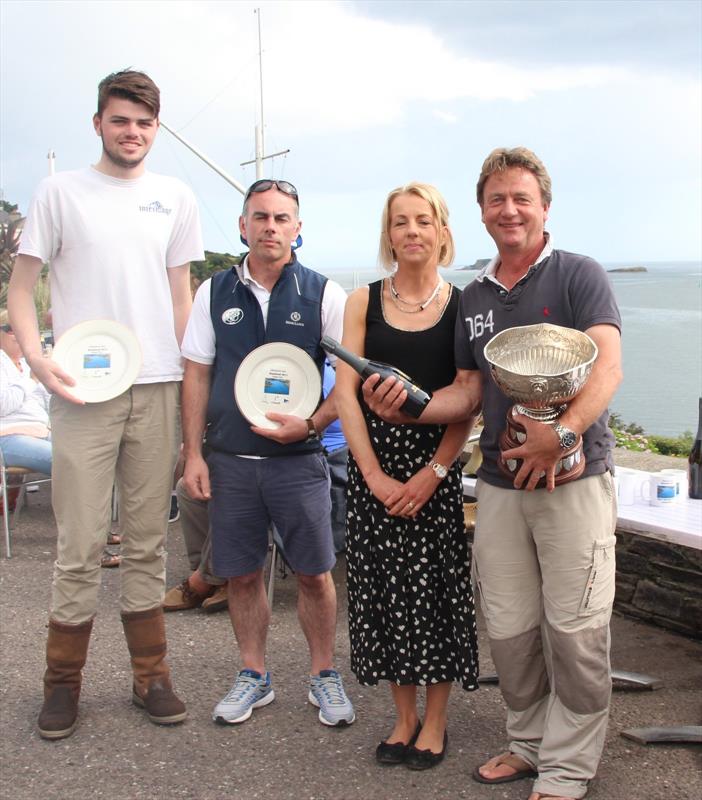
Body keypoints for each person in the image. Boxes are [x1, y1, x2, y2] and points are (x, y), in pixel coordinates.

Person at [363, 149, 622, 799]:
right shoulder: (474, 296)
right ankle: (528, 742)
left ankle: (567, 765)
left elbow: (607, 369)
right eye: (497, 200)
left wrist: (559, 434)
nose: (510, 210)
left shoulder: (578, 274)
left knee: (575, 630)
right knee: (509, 630)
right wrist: (414, 405)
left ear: (544, 207)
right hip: (502, 488)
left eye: (522, 199)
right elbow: (469, 391)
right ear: (481, 213)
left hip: (573, 479)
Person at [8, 69, 204, 740]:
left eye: (144, 123)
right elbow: (23, 290)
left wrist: (191, 388)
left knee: (149, 542)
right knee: (81, 542)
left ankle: (151, 677)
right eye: (121, 120)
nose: (132, 132)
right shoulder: (60, 192)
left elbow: (182, 300)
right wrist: (38, 360)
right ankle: (62, 685)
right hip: (82, 392)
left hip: (157, 386)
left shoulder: (175, 197)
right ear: (98, 123)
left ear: (156, 129)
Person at [181, 178, 355, 728]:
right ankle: (254, 676)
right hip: (231, 460)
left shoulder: (324, 294)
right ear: (242, 225)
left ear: (298, 228)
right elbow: (196, 375)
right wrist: (193, 454)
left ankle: (323, 674)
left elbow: (347, 379)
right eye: (261, 217)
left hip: (299, 463)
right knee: (241, 574)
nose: (271, 227)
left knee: (313, 573)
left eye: (282, 218)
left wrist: (313, 422)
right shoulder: (213, 293)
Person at [335, 182, 479, 771]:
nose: (412, 231)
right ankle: (402, 716)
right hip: (374, 466)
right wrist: (370, 474)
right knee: (384, 593)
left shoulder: (463, 304)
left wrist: (433, 473)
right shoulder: (361, 301)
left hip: (435, 469)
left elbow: (467, 400)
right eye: (401, 222)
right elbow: (345, 393)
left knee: (437, 596)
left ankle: (437, 720)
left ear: (443, 232)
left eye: (424, 220)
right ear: (388, 234)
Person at [163, 359, 348, 613]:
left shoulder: (322, 368)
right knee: (188, 489)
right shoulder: (265, 366)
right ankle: (212, 573)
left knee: (245, 486)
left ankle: (207, 579)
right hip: (259, 444)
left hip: (328, 451)